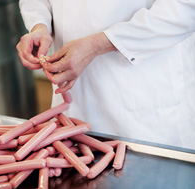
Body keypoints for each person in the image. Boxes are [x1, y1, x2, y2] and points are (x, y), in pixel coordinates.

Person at [16, 0, 195, 150]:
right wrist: (39, 25)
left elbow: (185, 8)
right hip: (72, 106)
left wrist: (99, 44)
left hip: (144, 99)